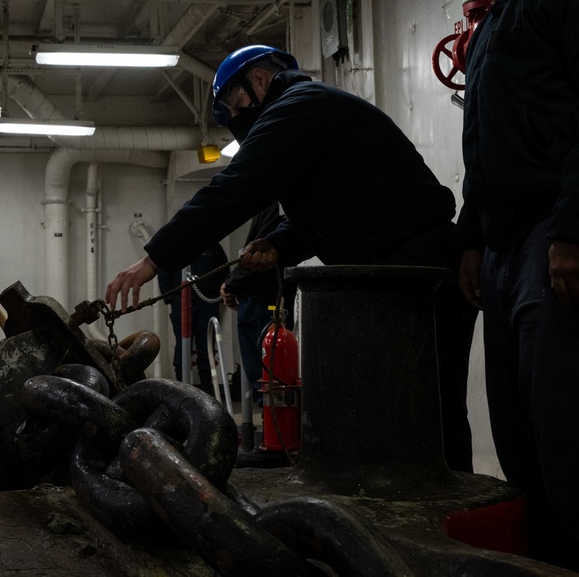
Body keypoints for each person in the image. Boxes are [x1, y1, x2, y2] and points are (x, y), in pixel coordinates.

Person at [105, 45, 478, 473]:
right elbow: (338, 208)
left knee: (422, 409)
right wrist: (278, 246)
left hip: (420, 270)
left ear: (259, 81)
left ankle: (440, 513)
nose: (238, 120)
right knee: (420, 406)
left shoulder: (302, 107)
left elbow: (235, 188)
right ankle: (437, 506)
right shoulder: (311, 115)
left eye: (235, 104)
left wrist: (153, 259)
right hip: (407, 269)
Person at [431, 0, 579, 567]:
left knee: (563, 427)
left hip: (554, 232)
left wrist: (573, 228)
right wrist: (471, 238)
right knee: (517, 431)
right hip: (501, 244)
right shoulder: (496, 15)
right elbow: (484, 142)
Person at [219, 203, 295, 401]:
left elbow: (259, 256)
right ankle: (272, 422)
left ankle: (274, 425)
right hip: (266, 297)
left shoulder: (276, 207)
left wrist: (231, 285)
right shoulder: (275, 206)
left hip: (263, 300)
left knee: (268, 375)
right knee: (268, 375)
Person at [156, 242, 227, 395]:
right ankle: (181, 390)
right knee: (182, 347)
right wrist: (170, 298)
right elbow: (163, 271)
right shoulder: (174, 246)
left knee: (206, 347)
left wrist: (217, 294)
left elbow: (223, 269)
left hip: (207, 301)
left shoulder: (212, 245)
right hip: (181, 301)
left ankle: (207, 390)